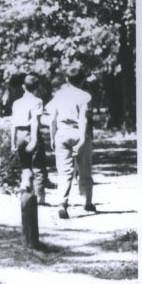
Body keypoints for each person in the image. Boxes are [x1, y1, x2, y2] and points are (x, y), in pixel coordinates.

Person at [45, 64, 96, 220]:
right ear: (83, 80)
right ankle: (87, 202)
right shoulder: (85, 96)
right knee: (84, 168)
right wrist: (82, 138)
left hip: (62, 133)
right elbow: (84, 119)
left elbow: (51, 118)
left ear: (67, 79)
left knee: (64, 171)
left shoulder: (59, 95)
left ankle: (62, 203)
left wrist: (53, 137)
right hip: (79, 133)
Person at [10, 72, 47, 204]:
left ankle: (25, 190)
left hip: (19, 135)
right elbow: (34, 121)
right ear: (37, 88)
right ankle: (39, 197)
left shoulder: (16, 103)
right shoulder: (37, 101)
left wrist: (12, 142)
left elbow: (13, 123)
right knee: (38, 167)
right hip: (31, 133)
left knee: (25, 166)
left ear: (23, 87)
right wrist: (34, 139)